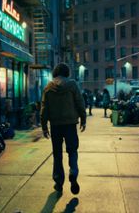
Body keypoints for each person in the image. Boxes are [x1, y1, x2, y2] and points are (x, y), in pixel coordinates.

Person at [40, 63, 86, 195]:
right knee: (72, 150)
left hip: (55, 126)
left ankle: (58, 182)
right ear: (67, 72)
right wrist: (83, 119)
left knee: (57, 154)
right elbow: (80, 102)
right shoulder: (72, 85)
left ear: (55, 72)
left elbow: (44, 109)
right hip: (70, 124)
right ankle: (73, 172)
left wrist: (44, 127)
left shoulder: (48, 87)